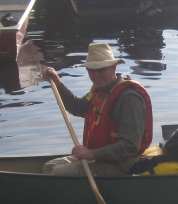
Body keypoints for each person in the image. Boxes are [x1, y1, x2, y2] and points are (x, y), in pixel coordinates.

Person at [41, 43, 153, 176]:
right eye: (91, 70)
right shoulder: (100, 92)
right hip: (100, 158)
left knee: (58, 173)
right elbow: (76, 106)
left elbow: (130, 146)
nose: (95, 75)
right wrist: (57, 83)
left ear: (113, 67)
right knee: (49, 167)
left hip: (121, 165)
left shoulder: (128, 98)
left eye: (101, 69)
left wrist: (92, 153)